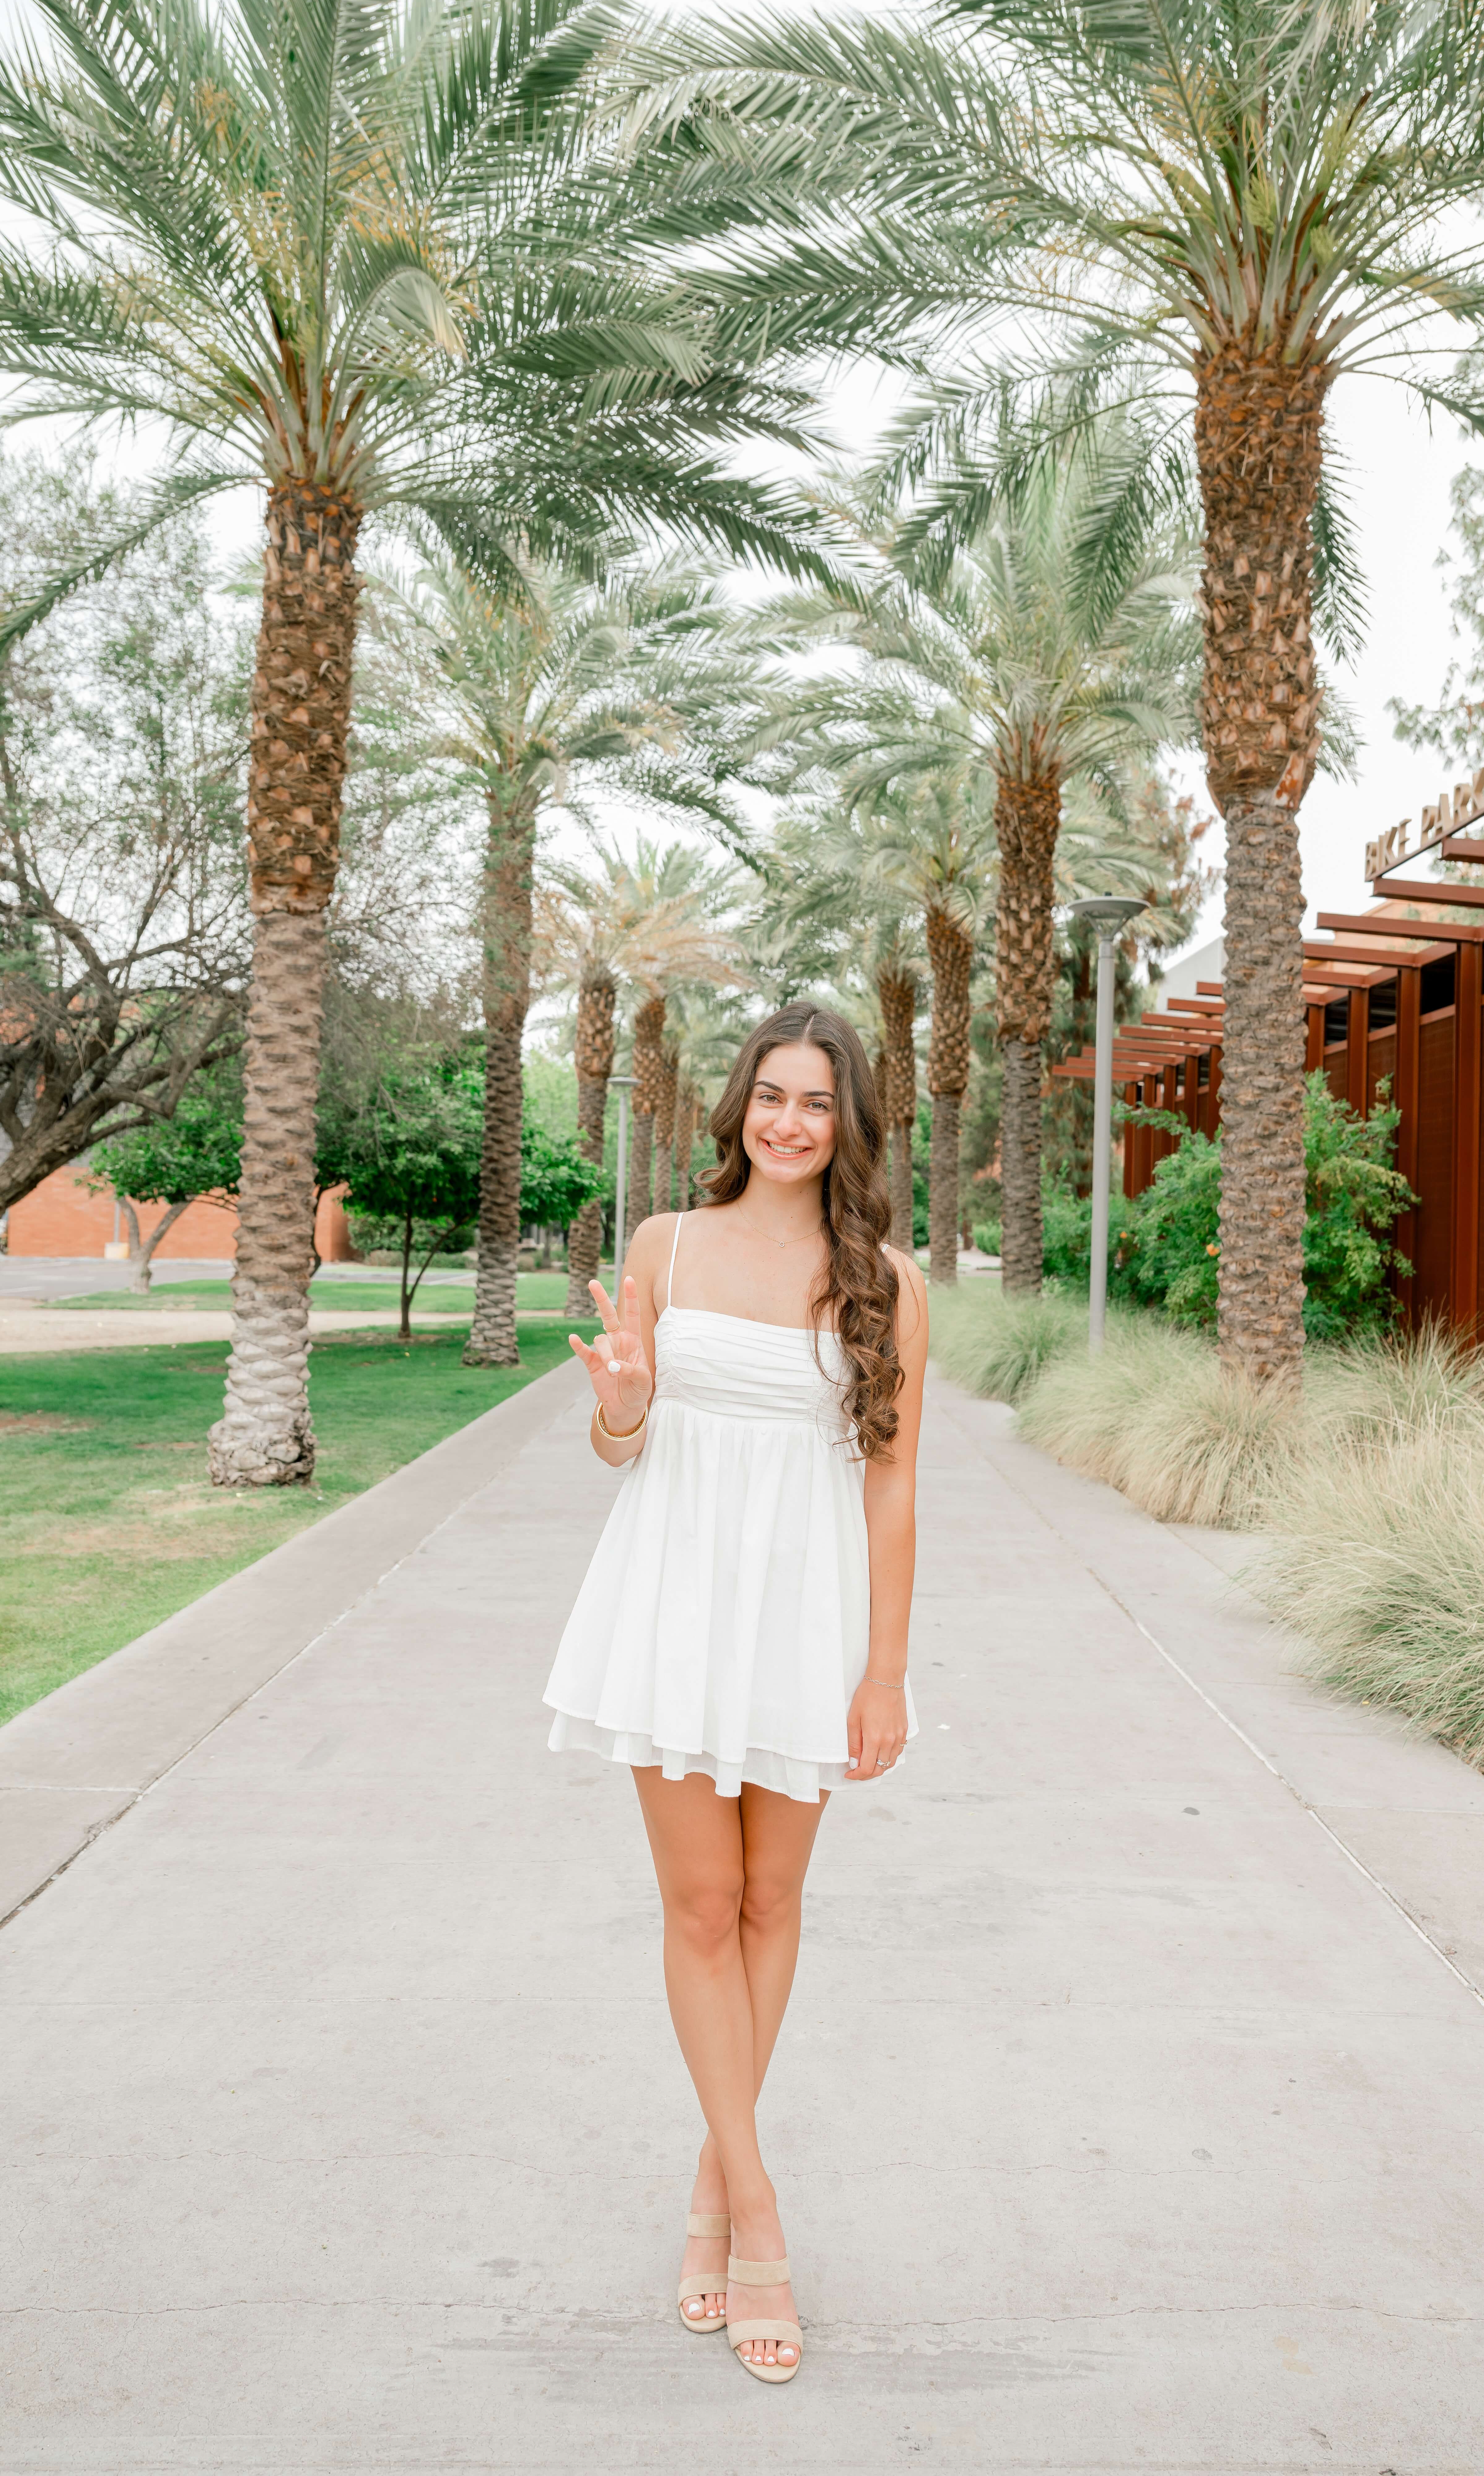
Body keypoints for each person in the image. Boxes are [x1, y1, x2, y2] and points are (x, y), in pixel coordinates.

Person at [542, 1001, 928, 2386]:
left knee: (774, 1902)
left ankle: (713, 2180)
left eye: (816, 1102)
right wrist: (627, 1401)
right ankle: (756, 2212)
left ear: (849, 1123)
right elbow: (616, 1443)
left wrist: (883, 1671)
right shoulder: (667, 1246)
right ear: (737, 1106)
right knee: (700, 1906)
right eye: (770, 1095)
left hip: (804, 1619)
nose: (787, 1122)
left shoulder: (884, 1278)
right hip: (671, 1599)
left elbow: (889, 1486)